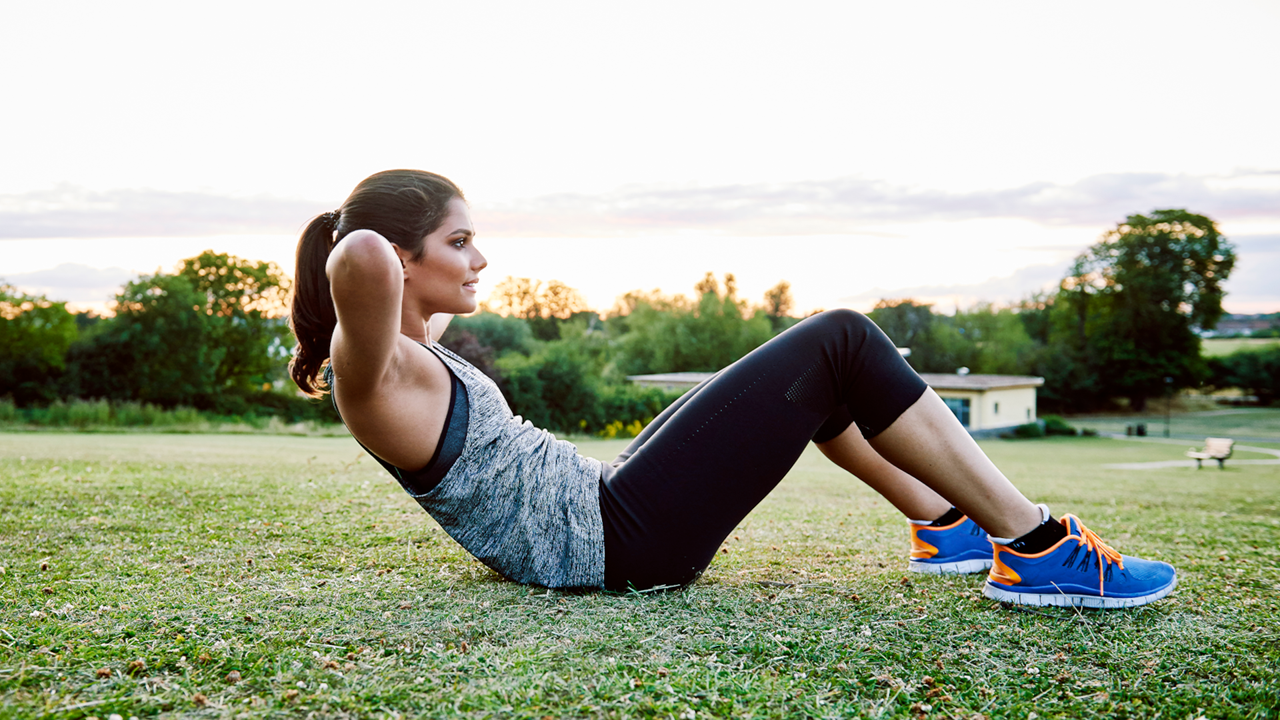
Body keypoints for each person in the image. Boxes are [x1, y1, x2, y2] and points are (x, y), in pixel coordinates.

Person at [289, 169, 1177, 610]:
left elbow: (386, 272)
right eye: (459, 241)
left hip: (605, 512)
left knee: (814, 381)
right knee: (841, 337)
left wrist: (413, 249)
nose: (481, 259)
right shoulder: (372, 372)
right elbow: (359, 255)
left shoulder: (412, 348)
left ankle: (943, 528)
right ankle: (1037, 546)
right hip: (615, 545)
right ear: (401, 260)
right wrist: (355, 225)